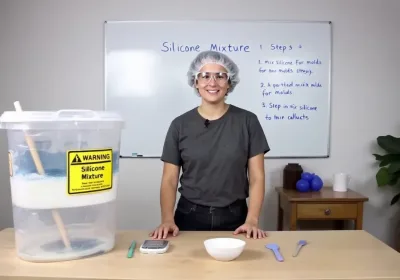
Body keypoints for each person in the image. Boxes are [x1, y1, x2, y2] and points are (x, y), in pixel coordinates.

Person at [150, 50, 270, 239]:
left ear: (229, 83)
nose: (212, 83)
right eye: (205, 76)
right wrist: (167, 219)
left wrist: (252, 220)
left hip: (236, 218)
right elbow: (169, 179)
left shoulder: (248, 121)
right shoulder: (179, 125)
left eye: (220, 76)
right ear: (195, 82)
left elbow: (257, 177)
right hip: (188, 216)